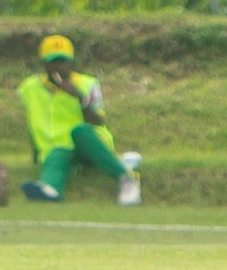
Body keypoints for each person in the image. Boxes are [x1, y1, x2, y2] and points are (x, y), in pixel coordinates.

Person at [18, 35, 139, 204]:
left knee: (79, 130)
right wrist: (35, 153)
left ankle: (127, 178)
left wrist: (80, 98)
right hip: (59, 148)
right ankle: (50, 190)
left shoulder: (88, 84)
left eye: (63, 61)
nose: (58, 67)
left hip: (91, 144)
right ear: (44, 63)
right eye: (53, 62)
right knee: (56, 155)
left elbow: (97, 121)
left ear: (71, 62)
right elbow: (31, 120)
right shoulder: (30, 87)